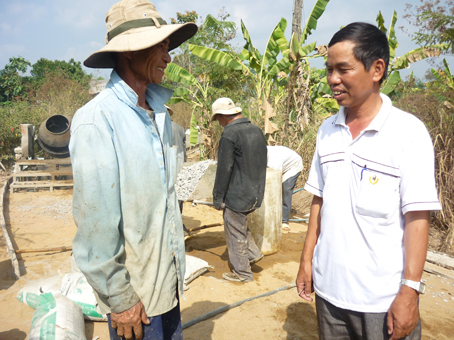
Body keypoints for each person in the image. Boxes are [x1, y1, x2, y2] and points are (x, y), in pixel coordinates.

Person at [296, 22, 441, 340]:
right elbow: (319, 200)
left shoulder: (408, 133)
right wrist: (307, 261)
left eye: (343, 69)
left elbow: (417, 217)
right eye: (329, 69)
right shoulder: (327, 130)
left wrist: (410, 290)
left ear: (377, 69)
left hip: (382, 298)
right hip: (329, 294)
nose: (333, 79)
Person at [69, 1, 197, 339]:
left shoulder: (159, 113)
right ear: (129, 52)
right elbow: (95, 223)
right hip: (135, 299)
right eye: (160, 46)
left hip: (165, 284)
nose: (168, 57)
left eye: (167, 46)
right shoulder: (98, 120)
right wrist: (120, 298)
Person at [211, 97, 267, 282]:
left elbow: (224, 169)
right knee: (239, 222)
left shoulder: (230, 134)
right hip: (255, 191)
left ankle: (242, 273)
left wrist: (218, 198)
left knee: (233, 226)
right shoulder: (257, 130)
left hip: (237, 192)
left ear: (223, 116)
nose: (218, 123)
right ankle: (252, 253)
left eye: (217, 119)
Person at [266, 145, 303, 231]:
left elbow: (274, 181)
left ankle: (284, 221)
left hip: (293, 167)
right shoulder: (260, 153)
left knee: (285, 190)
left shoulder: (273, 159)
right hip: (283, 165)